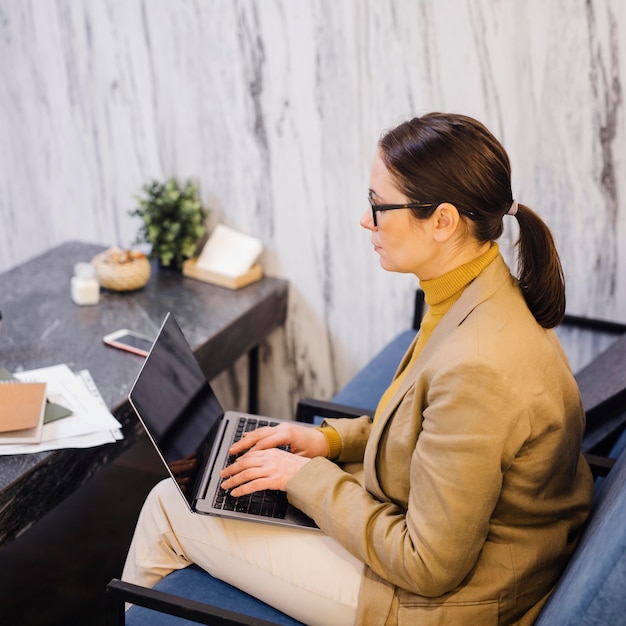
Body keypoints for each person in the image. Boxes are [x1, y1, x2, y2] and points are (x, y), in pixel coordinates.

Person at [123, 113, 594, 625]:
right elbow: (427, 434)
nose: (366, 220)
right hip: (453, 554)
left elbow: (427, 565)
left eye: (378, 205)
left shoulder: (478, 365)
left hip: (439, 603)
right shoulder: (477, 296)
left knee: (172, 504)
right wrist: (326, 443)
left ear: (443, 221)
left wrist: (305, 479)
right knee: (203, 490)